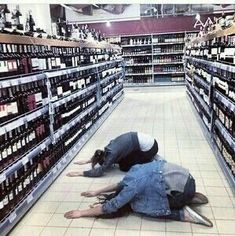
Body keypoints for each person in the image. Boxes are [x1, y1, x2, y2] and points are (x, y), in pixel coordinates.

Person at [64, 159, 213, 227]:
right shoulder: (134, 171)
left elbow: (111, 206)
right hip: (188, 179)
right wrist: (97, 191)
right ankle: (190, 196)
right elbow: (120, 184)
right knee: (151, 185)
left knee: (139, 207)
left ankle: (183, 213)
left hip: (181, 193)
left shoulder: (130, 189)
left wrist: (82, 212)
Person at [66, 132, 158, 177]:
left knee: (124, 167)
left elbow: (100, 171)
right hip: (149, 140)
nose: (108, 164)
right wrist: (89, 160)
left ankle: (150, 160)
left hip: (150, 149)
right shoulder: (109, 147)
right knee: (123, 161)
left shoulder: (112, 154)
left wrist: (80, 173)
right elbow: (100, 155)